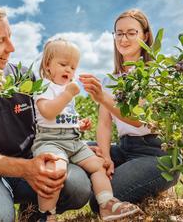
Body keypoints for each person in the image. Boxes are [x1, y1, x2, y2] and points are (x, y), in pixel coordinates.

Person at [0, 2, 91, 222]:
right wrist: (24, 169)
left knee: (77, 186)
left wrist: (82, 146)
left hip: (32, 163)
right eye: (0, 41)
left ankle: (31, 211)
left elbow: (48, 119)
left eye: (9, 36)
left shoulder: (24, 78)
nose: (11, 47)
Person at [79, 9, 179, 213]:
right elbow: (104, 125)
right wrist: (106, 156)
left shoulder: (155, 73)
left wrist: (102, 98)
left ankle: (149, 184)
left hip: (155, 154)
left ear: (145, 36)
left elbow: (140, 121)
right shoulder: (109, 80)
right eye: (119, 33)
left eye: (131, 33)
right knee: (77, 149)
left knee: (99, 202)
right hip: (125, 149)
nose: (124, 39)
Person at [33, 38, 140, 222]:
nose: (69, 70)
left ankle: (106, 204)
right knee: (55, 170)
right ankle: (47, 214)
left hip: (73, 141)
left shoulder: (68, 89)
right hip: (50, 140)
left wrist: (77, 123)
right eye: (64, 64)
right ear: (47, 64)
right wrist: (68, 94)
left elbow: (62, 117)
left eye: (73, 67)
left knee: (99, 166)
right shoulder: (44, 86)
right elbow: (48, 112)